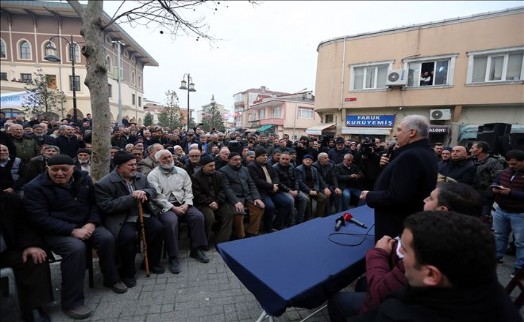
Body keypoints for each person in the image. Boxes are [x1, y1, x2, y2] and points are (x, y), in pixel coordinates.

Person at [328, 182, 483, 321]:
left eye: (429, 199)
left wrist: (379, 253)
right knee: (363, 283)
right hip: (426, 301)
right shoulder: (472, 240)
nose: (424, 200)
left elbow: (380, 293)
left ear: (443, 210)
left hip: (413, 308)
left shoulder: (429, 247)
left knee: (339, 301)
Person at [350, 211, 522, 322]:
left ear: (431, 274)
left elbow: (381, 292)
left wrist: (378, 253)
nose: (398, 249)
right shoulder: (494, 297)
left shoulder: (396, 314)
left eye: (405, 250)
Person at [24, 154, 126, 320]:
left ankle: (111, 278)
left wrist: (91, 223)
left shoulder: (84, 179)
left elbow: (95, 203)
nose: (59, 173)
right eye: (54, 169)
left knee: (107, 238)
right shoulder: (34, 188)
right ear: (47, 168)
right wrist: (72, 230)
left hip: (86, 224)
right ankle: (72, 302)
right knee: (75, 249)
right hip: (56, 231)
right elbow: (40, 219)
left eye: (64, 169)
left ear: (73, 169)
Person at [360, 115, 437, 241]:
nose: (396, 134)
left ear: (412, 132)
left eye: (399, 130)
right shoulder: (424, 152)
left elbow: (397, 197)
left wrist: (369, 196)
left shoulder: (410, 156)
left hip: (396, 226)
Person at [94, 150, 166, 287]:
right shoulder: (104, 183)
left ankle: (151, 263)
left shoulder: (140, 177)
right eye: (130, 165)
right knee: (128, 238)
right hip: (122, 219)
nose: (134, 167)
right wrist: (131, 197)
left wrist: (145, 192)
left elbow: (152, 190)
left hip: (142, 214)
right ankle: (127, 272)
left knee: (158, 228)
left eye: (135, 164)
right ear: (119, 167)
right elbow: (107, 206)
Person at [147, 149, 209, 274]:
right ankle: (173, 256)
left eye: (169, 156)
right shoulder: (153, 175)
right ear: (158, 161)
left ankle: (196, 249)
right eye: (164, 158)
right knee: (171, 222)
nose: (168, 159)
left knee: (198, 216)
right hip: (165, 206)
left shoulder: (182, 172)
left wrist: (187, 204)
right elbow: (156, 197)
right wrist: (173, 208)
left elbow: (188, 190)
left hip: (183, 203)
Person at [0, 191, 54, 322]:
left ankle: (33, 308)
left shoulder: (8, 199)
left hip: (5, 251)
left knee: (35, 257)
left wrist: (29, 245)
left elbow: (23, 225)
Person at [491, 149, 524, 278]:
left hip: (520, 214)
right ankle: (497, 257)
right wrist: (495, 187)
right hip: (501, 210)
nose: (511, 166)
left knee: (521, 243)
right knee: (499, 236)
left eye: (514, 164)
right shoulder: (506, 171)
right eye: (509, 163)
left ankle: (520, 268)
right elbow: (497, 181)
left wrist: (510, 192)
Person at [191, 154, 234, 245]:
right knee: (209, 217)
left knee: (229, 213)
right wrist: (210, 202)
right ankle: (204, 241)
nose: (213, 167)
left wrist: (217, 202)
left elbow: (223, 190)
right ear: (203, 166)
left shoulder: (219, 175)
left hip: (218, 202)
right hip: (204, 203)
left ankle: (222, 241)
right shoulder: (195, 177)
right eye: (210, 166)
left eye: (214, 165)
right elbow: (197, 195)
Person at [247, 147, 293, 232]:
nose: (265, 157)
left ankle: (277, 224)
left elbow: (275, 175)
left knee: (287, 203)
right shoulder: (251, 166)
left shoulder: (267, 164)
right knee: (270, 206)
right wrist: (271, 186)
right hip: (262, 191)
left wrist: (275, 185)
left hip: (273, 190)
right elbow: (257, 181)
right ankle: (268, 227)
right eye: (263, 156)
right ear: (257, 156)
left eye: (266, 155)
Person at [220, 152, 265, 238]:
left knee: (259, 208)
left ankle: (251, 232)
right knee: (239, 212)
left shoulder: (245, 169)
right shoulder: (223, 171)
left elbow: (251, 184)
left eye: (239, 159)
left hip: (247, 196)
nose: (238, 162)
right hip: (235, 197)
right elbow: (226, 188)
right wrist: (236, 201)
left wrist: (257, 198)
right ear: (229, 160)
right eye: (235, 160)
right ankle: (240, 235)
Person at [272, 151, 309, 225]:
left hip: (292, 188)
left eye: (287, 159)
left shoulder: (291, 166)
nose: (284, 161)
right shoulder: (274, 167)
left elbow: (296, 179)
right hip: (281, 190)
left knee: (304, 198)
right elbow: (278, 183)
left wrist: (296, 189)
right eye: (283, 159)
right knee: (291, 200)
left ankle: (299, 221)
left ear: (289, 160)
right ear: (279, 159)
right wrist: (289, 191)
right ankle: (290, 222)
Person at [295, 154, 330, 218]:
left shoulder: (314, 169)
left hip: (313, 189)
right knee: (308, 200)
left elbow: (316, 181)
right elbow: (300, 182)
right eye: (306, 160)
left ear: (312, 162)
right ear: (303, 160)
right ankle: (308, 218)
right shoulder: (298, 169)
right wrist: (309, 190)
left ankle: (318, 216)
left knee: (323, 198)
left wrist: (316, 189)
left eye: (310, 160)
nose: (308, 161)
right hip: (304, 190)